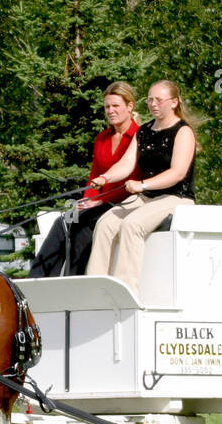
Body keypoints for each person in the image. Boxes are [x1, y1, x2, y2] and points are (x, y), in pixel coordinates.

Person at [84, 79, 197, 293]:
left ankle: (125, 290)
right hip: (148, 197)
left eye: (159, 100)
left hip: (176, 197)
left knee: (132, 225)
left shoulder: (183, 132)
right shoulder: (143, 131)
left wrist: (143, 185)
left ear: (174, 102)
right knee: (105, 224)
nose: (153, 104)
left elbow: (178, 173)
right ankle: (95, 287)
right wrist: (104, 178)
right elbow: (126, 164)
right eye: (150, 100)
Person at [28, 81, 145, 277]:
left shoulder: (139, 136)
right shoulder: (102, 138)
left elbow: (132, 180)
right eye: (107, 106)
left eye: (116, 106)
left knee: (84, 227)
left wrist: (100, 201)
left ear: (130, 106)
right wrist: (88, 199)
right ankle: (36, 280)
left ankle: (73, 280)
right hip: (100, 203)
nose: (110, 111)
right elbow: (94, 177)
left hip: (125, 203)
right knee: (63, 222)